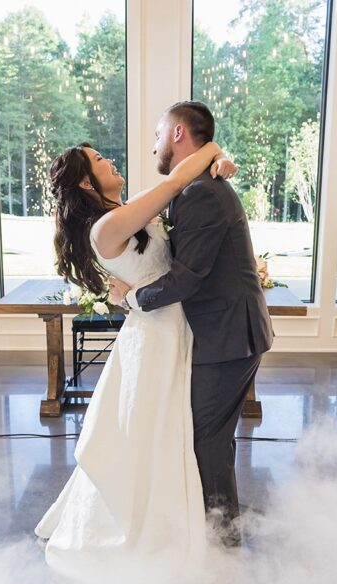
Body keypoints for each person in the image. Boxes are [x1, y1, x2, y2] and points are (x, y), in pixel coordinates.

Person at [34, 110, 239, 581]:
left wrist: (219, 160)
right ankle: (154, 528)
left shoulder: (126, 214)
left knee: (175, 433)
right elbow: (172, 186)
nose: (110, 160)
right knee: (157, 434)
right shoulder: (105, 228)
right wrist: (214, 151)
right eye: (99, 159)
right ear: (86, 184)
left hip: (176, 328)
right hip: (155, 338)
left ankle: (187, 521)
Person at [108, 101, 273, 548]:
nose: (154, 144)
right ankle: (218, 530)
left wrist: (134, 297)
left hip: (227, 337)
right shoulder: (193, 186)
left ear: (179, 134)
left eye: (159, 134)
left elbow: (188, 277)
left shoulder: (202, 192)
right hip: (223, 332)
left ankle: (222, 544)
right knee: (211, 438)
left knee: (207, 442)